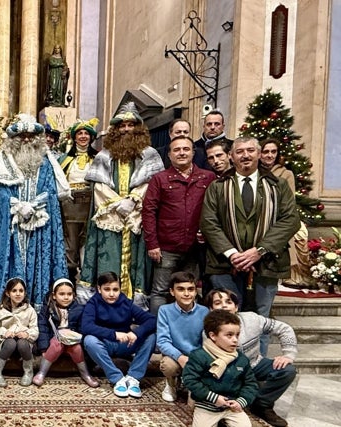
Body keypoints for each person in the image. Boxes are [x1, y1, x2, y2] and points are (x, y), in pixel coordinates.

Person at [199, 136, 300, 351]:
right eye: (240, 151)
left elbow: (290, 220)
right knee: (227, 318)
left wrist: (259, 250)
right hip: (224, 264)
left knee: (261, 317)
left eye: (251, 150)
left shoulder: (277, 185)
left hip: (267, 262)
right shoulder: (218, 186)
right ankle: (230, 367)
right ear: (231, 156)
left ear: (259, 153)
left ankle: (256, 370)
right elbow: (209, 222)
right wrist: (232, 253)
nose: (245, 155)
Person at [0, 114, 70, 304]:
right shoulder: (3, 159)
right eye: (21, 136)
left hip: (38, 221)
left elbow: (51, 190)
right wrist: (16, 205)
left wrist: (34, 205)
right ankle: (4, 301)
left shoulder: (46, 162)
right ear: (13, 139)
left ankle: (35, 301)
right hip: (12, 222)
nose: (26, 139)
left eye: (31, 135)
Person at [81, 102, 164, 301]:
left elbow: (151, 183)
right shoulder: (104, 155)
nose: (126, 129)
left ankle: (135, 301)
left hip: (137, 216)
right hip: (110, 217)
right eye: (122, 125)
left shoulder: (150, 155)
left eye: (131, 125)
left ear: (139, 127)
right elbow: (99, 186)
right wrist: (118, 203)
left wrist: (133, 199)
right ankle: (107, 301)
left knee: (137, 260)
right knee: (108, 257)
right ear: (116, 129)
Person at [142, 135, 216, 315]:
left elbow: (215, 209)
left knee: (189, 291)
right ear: (169, 155)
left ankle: (187, 328)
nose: (181, 153)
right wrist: (152, 244)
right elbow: (148, 211)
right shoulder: (160, 179)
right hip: (166, 247)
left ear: (193, 152)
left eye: (185, 149)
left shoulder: (208, 178)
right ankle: (158, 334)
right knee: (160, 291)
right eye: (177, 150)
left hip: (195, 248)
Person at [205, 289, 296, 427]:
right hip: (229, 372)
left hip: (255, 364)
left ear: (236, 307)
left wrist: (288, 354)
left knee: (287, 370)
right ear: (211, 309)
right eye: (218, 303)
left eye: (228, 302)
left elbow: (284, 329)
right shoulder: (208, 331)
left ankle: (261, 404)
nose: (224, 306)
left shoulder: (252, 319)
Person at [81, 272, 157, 398]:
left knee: (151, 337)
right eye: (107, 289)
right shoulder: (93, 303)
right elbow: (86, 327)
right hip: (105, 344)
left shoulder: (126, 303)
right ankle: (117, 379)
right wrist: (114, 334)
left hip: (126, 344)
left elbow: (152, 320)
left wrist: (136, 332)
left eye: (115, 289)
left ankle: (133, 378)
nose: (111, 294)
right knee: (89, 341)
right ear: (99, 289)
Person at [181, 310, 258, 427]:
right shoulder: (199, 356)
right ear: (212, 336)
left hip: (232, 407)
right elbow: (190, 380)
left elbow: (251, 384)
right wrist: (213, 398)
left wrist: (241, 401)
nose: (235, 340)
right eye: (229, 335)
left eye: (237, 335)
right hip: (206, 406)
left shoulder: (241, 359)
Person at [260, 138, 312, 286]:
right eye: (266, 151)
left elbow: (289, 201)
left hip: (278, 215)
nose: (270, 155)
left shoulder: (286, 173)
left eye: (273, 152)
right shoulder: (254, 171)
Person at [33, 278, 99, 388]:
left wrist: (76, 337)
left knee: (77, 348)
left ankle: (85, 374)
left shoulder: (79, 309)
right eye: (62, 294)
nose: (66, 297)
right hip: (54, 340)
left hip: (71, 341)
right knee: (56, 343)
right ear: (54, 295)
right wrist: (43, 348)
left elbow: (82, 328)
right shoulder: (48, 309)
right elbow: (43, 328)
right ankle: (41, 372)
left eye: (69, 294)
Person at [155, 271, 208, 403]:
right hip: (174, 356)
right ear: (172, 292)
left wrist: (197, 360)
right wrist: (180, 357)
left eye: (190, 289)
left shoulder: (204, 311)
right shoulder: (165, 310)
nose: (186, 293)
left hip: (197, 357)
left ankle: (191, 381)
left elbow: (207, 341)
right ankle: (171, 383)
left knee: (195, 403)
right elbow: (162, 341)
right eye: (181, 289)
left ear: (196, 291)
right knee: (168, 366)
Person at [59, 118, 100, 283]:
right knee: (70, 242)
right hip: (70, 205)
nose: (83, 136)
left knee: (88, 242)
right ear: (74, 137)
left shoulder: (98, 158)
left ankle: (87, 278)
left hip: (91, 205)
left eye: (86, 133)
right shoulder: (64, 159)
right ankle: (69, 279)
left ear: (91, 137)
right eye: (79, 133)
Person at [0, 278, 38, 387]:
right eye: (14, 291)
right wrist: (4, 333)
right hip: (6, 346)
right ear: (8, 293)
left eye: (21, 291)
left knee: (22, 343)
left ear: (25, 293)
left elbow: (35, 329)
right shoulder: (0, 310)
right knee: (11, 343)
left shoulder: (30, 310)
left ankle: (28, 372)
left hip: (24, 346)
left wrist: (27, 334)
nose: (18, 294)